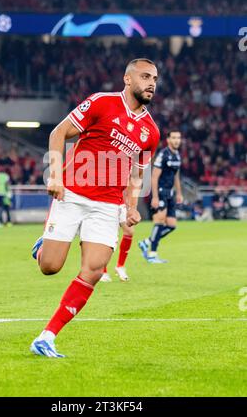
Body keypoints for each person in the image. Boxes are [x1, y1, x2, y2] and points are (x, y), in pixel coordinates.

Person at [30, 58, 160, 357]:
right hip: (72, 194)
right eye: (144, 76)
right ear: (128, 79)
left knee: (94, 269)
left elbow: (137, 174)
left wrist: (131, 206)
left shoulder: (151, 132)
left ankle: (47, 336)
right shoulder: (101, 102)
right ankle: (44, 246)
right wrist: (54, 175)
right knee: (50, 267)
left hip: (107, 205)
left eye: (154, 78)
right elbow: (58, 133)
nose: (151, 82)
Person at [139, 130, 182, 263]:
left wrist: (179, 193)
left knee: (172, 225)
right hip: (161, 192)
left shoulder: (177, 155)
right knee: (159, 220)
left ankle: (146, 242)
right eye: (174, 138)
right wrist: (155, 197)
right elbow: (154, 177)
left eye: (178, 138)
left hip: (170, 193)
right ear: (168, 140)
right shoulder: (163, 154)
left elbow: (176, 176)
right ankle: (152, 254)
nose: (176, 140)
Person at [100, 202, 134, 282]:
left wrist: (132, 208)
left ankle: (120, 266)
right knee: (108, 234)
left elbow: (134, 190)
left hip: (123, 203)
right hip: (108, 202)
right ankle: (102, 270)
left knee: (129, 231)